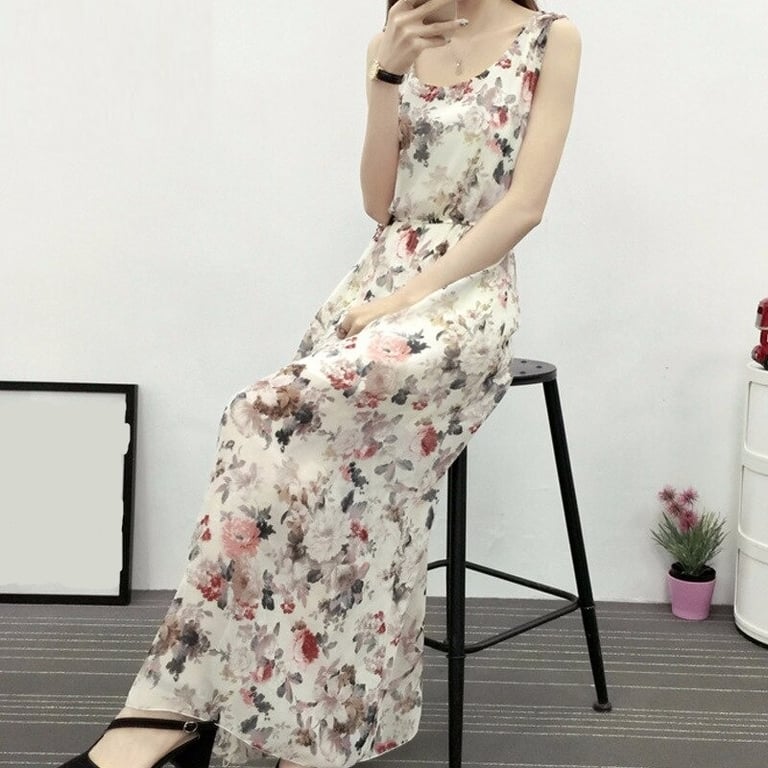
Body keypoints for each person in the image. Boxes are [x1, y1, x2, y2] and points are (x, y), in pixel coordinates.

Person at [57, 1, 581, 766]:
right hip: (376, 281)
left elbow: (524, 207)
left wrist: (408, 298)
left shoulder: (550, 39)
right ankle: (215, 715)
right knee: (278, 446)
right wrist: (385, 76)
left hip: (466, 300)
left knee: (271, 418)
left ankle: (197, 718)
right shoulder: (394, 40)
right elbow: (380, 204)